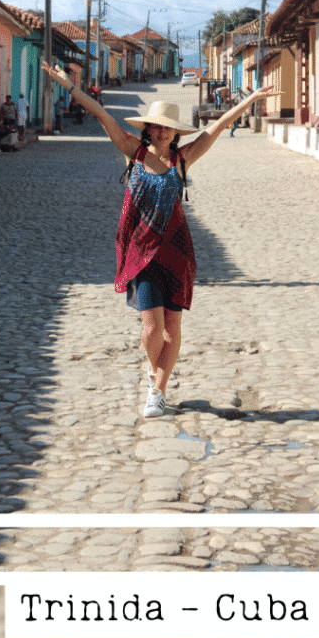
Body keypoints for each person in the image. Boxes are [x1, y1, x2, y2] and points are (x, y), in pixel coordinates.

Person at [41, 59, 271, 419]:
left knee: (173, 326)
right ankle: (155, 379)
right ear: (147, 128)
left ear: (175, 133)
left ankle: (157, 392)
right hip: (141, 251)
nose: (161, 133)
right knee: (152, 327)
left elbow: (219, 125)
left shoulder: (184, 159)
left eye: (167, 129)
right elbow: (101, 114)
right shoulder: (132, 151)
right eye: (156, 127)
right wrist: (66, 85)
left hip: (176, 253)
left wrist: (251, 98)